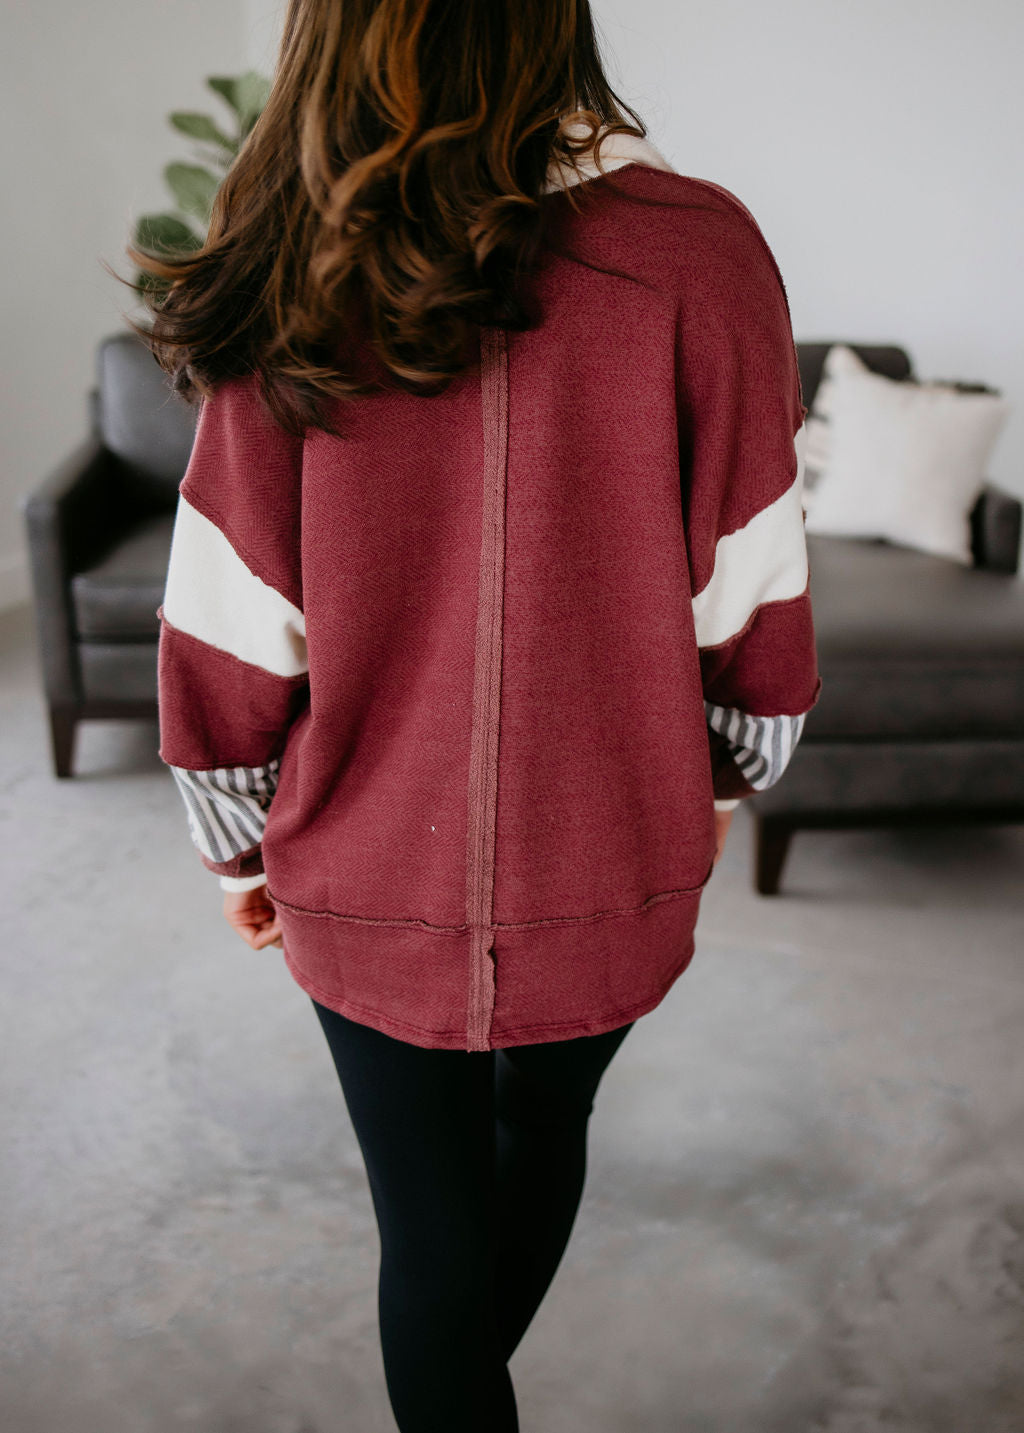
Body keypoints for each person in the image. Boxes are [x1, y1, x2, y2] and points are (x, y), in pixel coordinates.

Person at [131, 1, 822, 1427]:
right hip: (616, 846)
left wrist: (236, 841)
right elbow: (752, 579)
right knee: (541, 1133)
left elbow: (231, 599)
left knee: (431, 1238)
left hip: (358, 856)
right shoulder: (702, 249)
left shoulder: (292, 247)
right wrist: (726, 774)